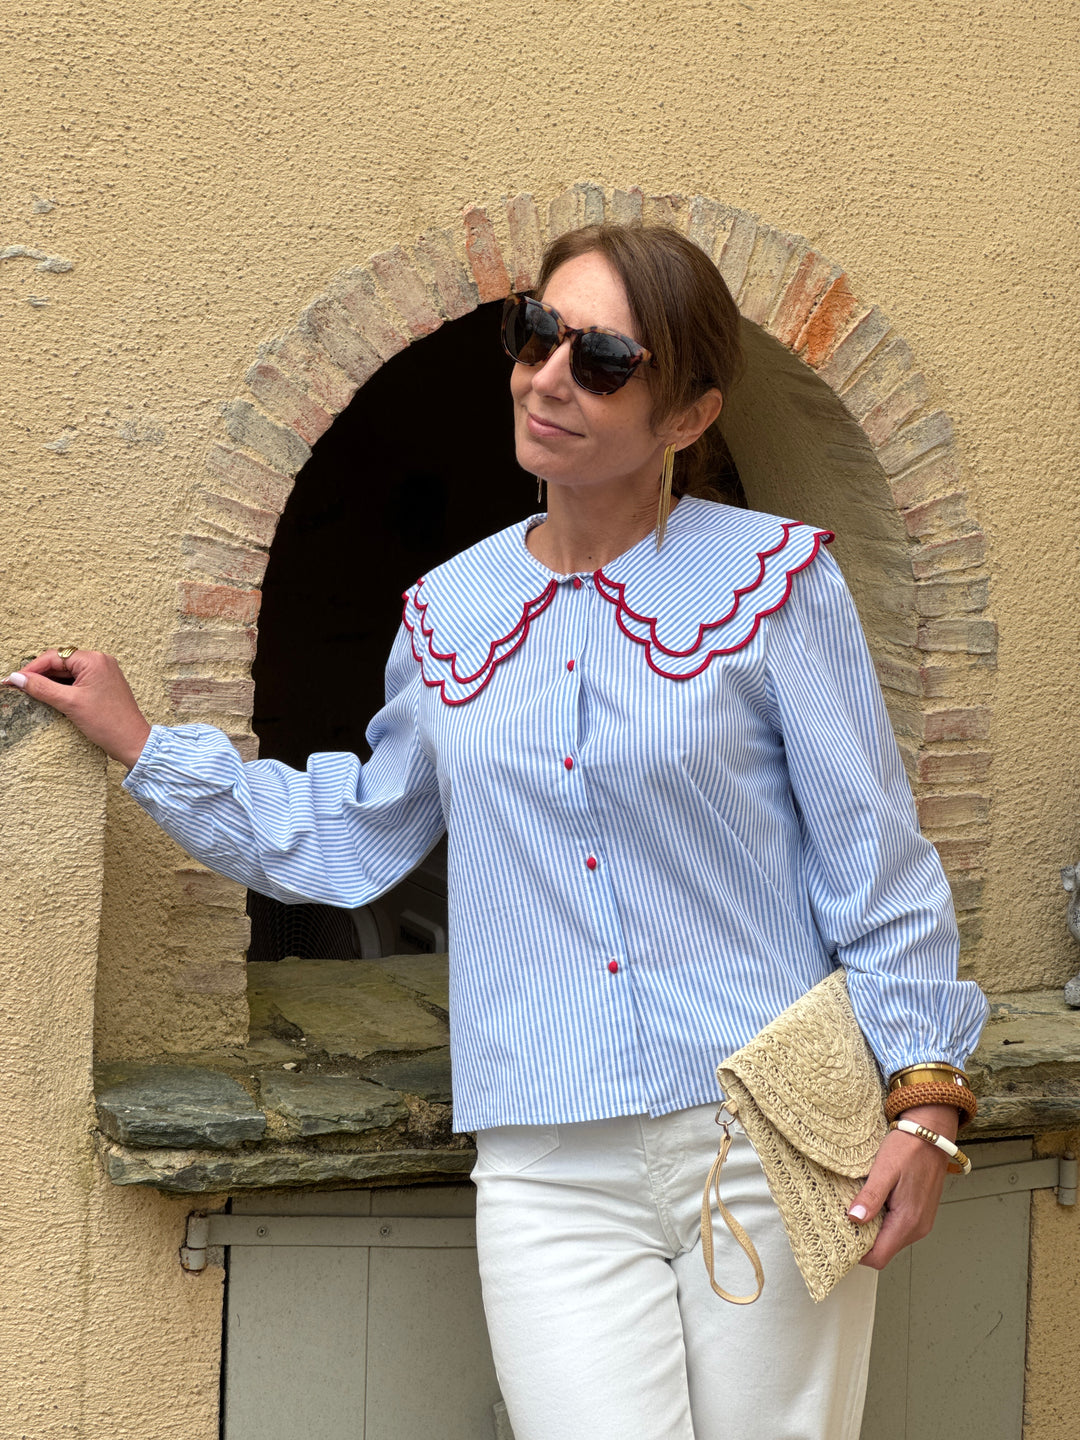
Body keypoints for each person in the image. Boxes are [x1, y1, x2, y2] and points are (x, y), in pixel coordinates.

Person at [6, 223, 988, 1440]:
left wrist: (924, 1106)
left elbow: (873, 859)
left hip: (766, 1128)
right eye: (539, 335)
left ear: (688, 414)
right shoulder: (450, 610)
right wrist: (149, 747)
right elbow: (361, 832)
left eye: (606, 358)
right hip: (547, 1159)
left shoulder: (778, 582)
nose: (550, 376)